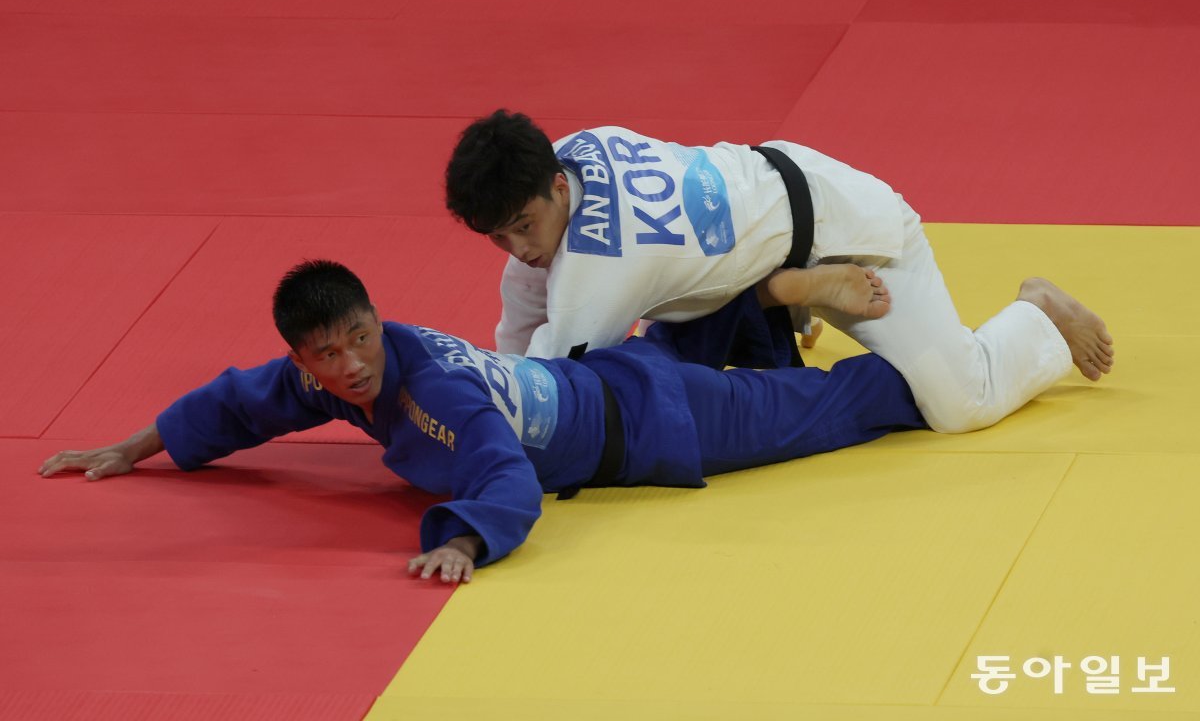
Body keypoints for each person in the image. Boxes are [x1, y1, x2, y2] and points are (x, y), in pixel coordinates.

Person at [40, 260, 926, 584]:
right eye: (328, 353)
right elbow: (241, 399)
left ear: (374, 319)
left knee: (853, 406)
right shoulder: (332, 377)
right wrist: (136, 444)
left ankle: (1011, 343)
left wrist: (461, 543)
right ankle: (771, 299)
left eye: (359, 338)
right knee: (738, 366)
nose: (351, 363)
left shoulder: (433, 396)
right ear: (307, 357)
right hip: (617, 376)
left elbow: (501, 471)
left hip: (658, 423)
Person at [444, 111, 1114, 433]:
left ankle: (1036, 311)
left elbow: (543, 387)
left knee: (963, 402)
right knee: (548, 282)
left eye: (523, 225)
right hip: (772, 195)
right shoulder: (577, 146)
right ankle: (788, 299)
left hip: (850, 231)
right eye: (496, 236)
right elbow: (523, 308)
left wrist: (465, 420)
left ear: (558, 188)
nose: (516, 246)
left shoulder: (598, 271)